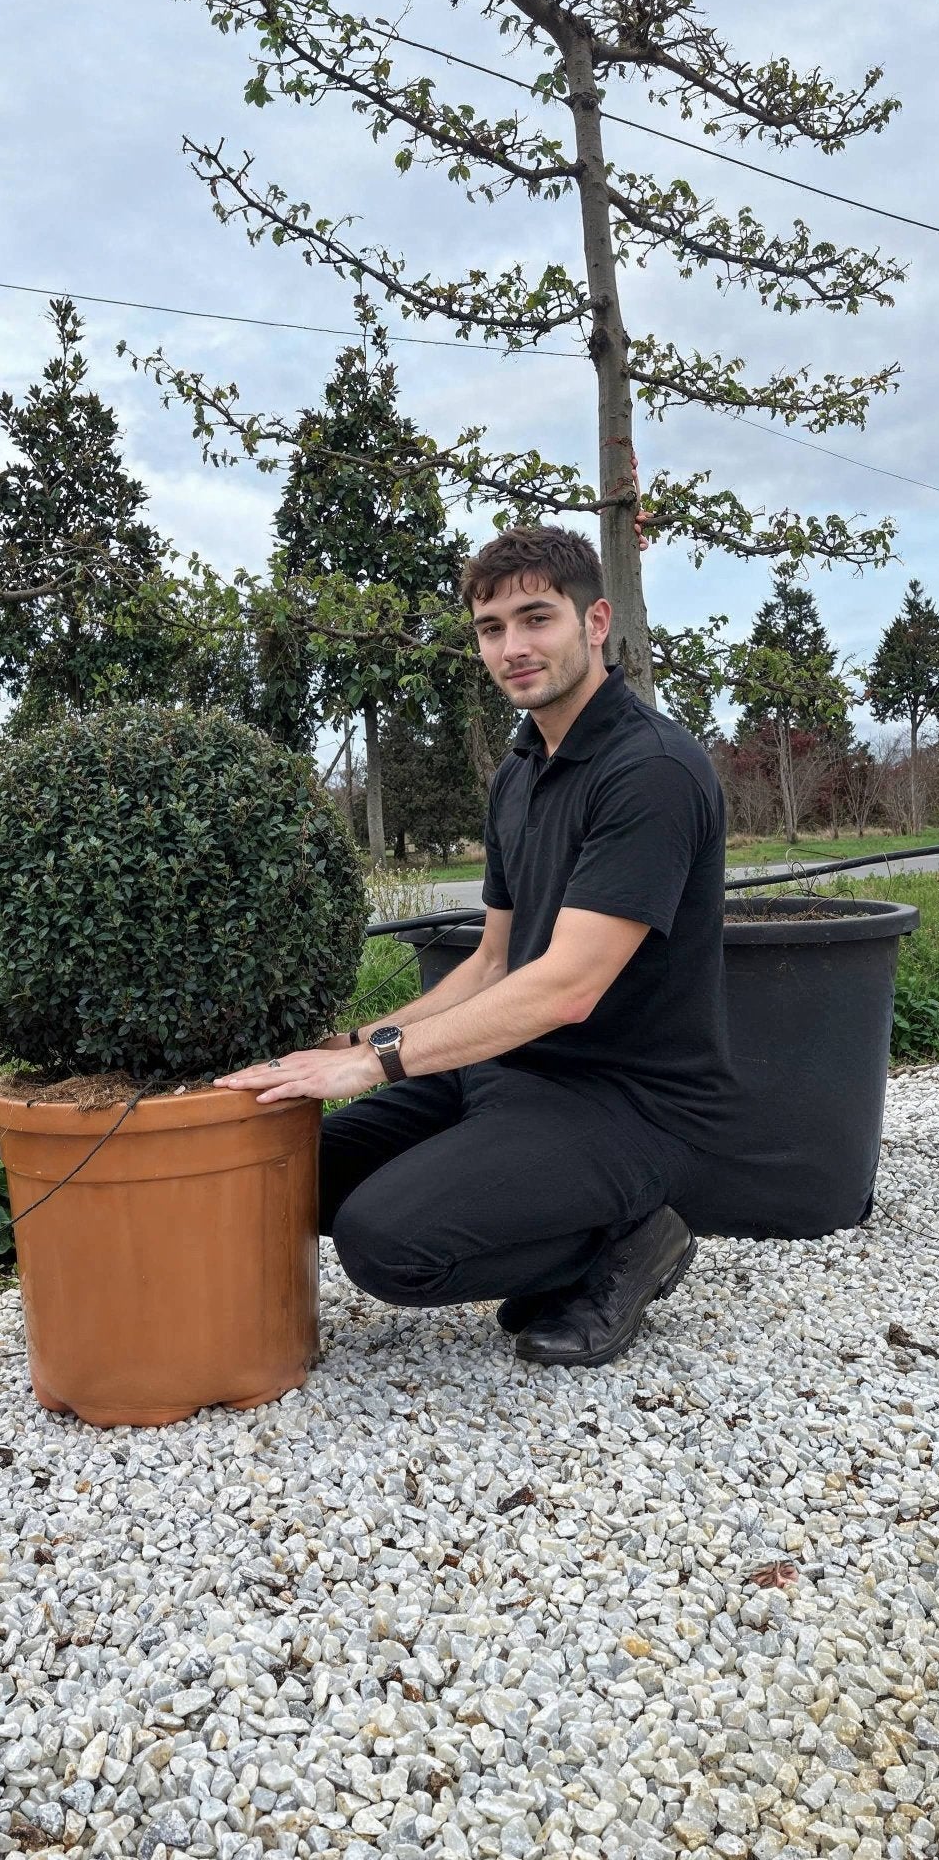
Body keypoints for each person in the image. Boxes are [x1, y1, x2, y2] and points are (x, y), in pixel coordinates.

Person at [216, 523, 736, 1368]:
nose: (513, 647)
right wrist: (353, 1042)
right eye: (492, 629)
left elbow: (567, 986)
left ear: (595, 621)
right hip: (503, 1068)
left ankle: (632, 1242)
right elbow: (494, 963)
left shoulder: (652, 771)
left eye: (538, 619)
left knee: (384, 1244)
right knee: (293, 1175)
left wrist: (373, 1068)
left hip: (623, 1100)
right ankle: (566, 1230)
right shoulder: (519, 771)